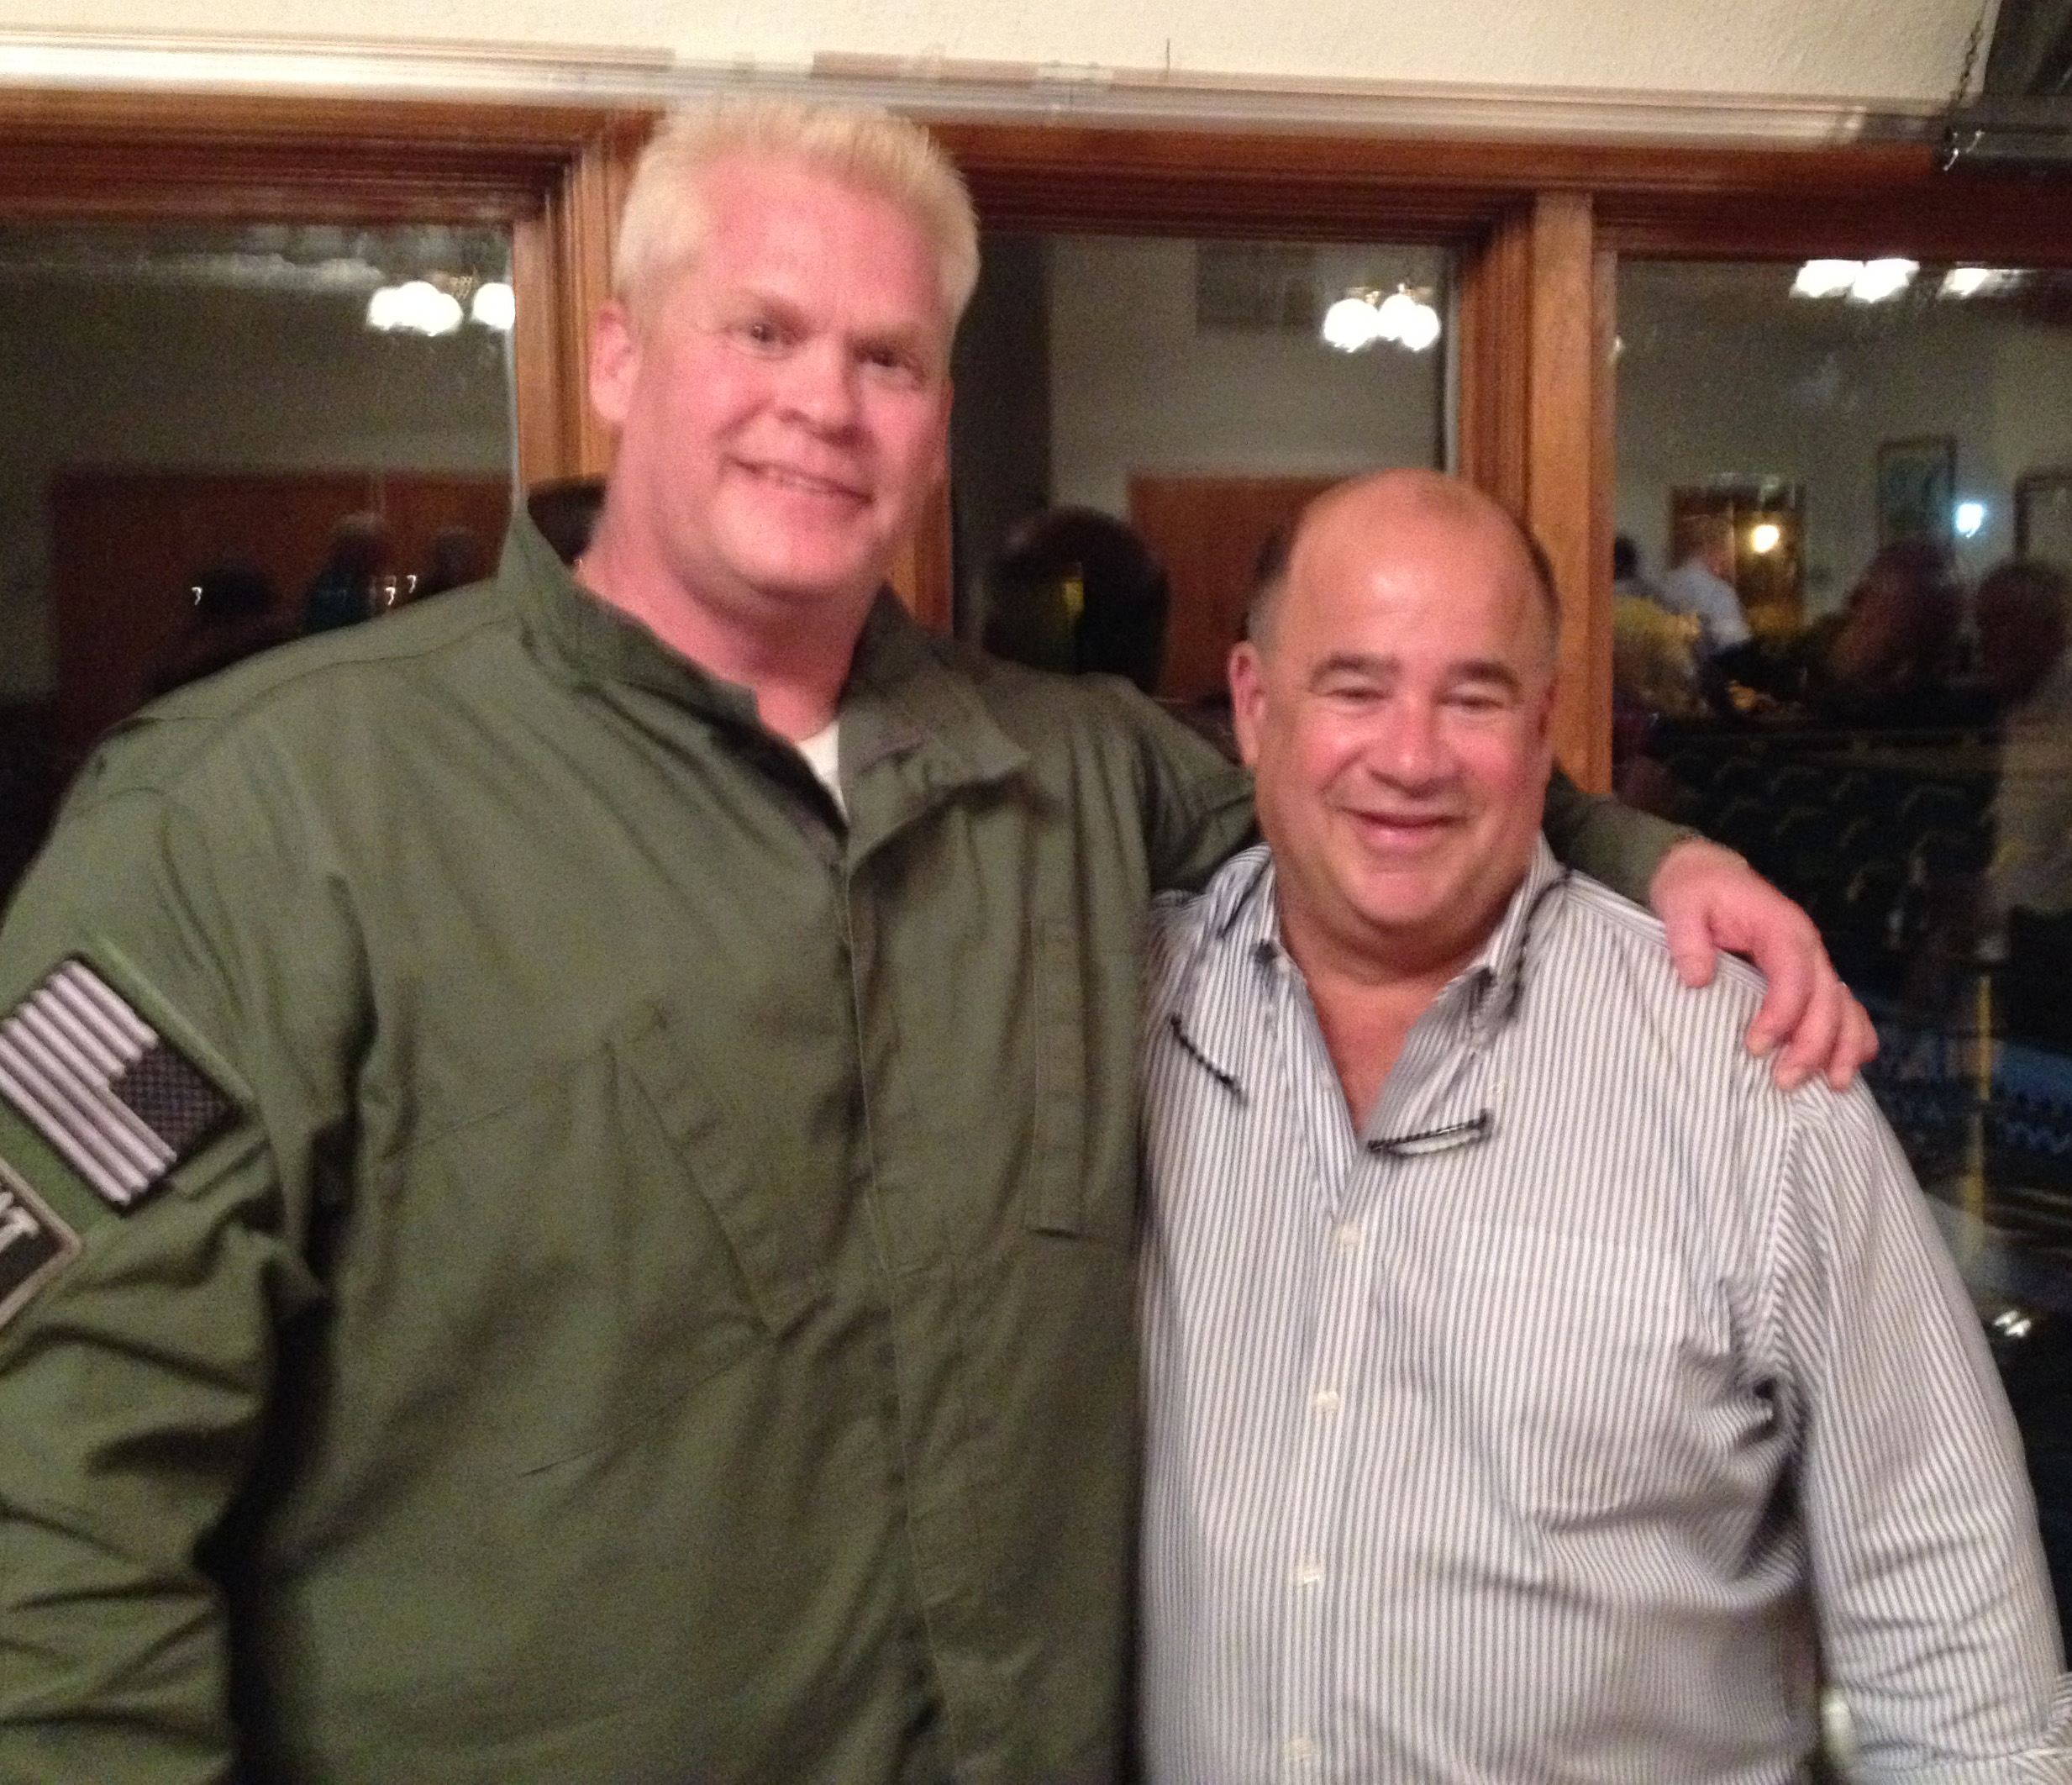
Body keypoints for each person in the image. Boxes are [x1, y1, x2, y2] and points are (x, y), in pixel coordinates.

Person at [0, 103, 1865, 1782]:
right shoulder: (253, 821)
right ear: (619, 355)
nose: (825, 401)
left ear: (936, 414)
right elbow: (53, 1514)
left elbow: (1374, 802)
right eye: (763, 331)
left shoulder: (1067, 773)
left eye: (886, 356)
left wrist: (1648, 852)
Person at [1139, 469, 2065, 1782]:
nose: (1409, 757)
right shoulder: (1114, 1024)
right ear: (1250, 705)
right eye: (1354, 687)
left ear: (1542, 726)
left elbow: (1964, 1687)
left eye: (1472, 697)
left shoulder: (1749, 1081)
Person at [1658, 508, 1751, 659]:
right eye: (1729, 549)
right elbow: (1734, 646)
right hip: (1710, 669)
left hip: (1669, 668)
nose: (1731, 556)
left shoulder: (1666, 584)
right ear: (1714, 548)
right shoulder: (1720, 593)